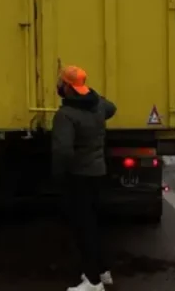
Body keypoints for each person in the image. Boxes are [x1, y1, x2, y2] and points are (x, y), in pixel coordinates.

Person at [51, 65, 118, 291]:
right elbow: (112, 107)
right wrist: (93, 95)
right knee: (95, 224)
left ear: (67, 87)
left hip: (79, 177)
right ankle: (103, 271)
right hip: (98, 173)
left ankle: (92, 281)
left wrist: (58, 174)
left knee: (83, 229)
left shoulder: (65, 115)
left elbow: (62, 151)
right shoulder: (98, 105)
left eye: (61, 82)